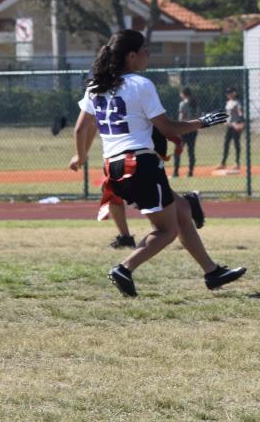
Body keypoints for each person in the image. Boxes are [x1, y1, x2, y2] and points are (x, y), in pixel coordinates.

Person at [67, 29, 243, 297]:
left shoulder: (96, 87)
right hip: (140, 164)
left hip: (113, 167)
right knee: (166, 230)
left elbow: (81, 129)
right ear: (132, 56)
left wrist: (80, 157)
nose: (149, 55)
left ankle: (212, 272)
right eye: (145, 50)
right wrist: (202, 122)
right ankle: (124, 268)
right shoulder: (140, 84)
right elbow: (167, 125)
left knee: (183, 212)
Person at [173, 87, 198, 177]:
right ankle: (190, 172)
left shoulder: (183, 103)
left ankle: (176, 172)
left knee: (178, 151)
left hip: (184, 129)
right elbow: (197, 116)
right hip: (193, 129)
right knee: (191, 151)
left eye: (180, 93)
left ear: (183, 94)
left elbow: (181, 118)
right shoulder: (195, 103)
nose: (180, 95)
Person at [217, 87, 244, 169]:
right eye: (227, 93)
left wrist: (241, 123)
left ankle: (237, 163)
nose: (227, 94)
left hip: (235, 125)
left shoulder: (237, 102)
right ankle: (223, 163)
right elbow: (227, 114)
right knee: (226, 144)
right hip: (229, 126)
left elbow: (241, 113)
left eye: (229, 93)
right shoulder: (228, 102)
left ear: (233, 93)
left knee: (236, 144)